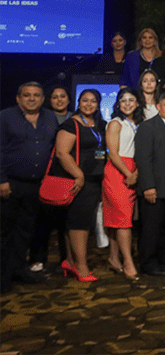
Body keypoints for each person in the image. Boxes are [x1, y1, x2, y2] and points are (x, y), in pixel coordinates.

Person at [1, 82, 59, 292]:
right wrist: (1, 179)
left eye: (36, 95)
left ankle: (18, 269)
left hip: (36, 185)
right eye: (27, 95)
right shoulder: (5, 117)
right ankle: (2, 276)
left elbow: (53, 149)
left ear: (43, 99)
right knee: (4, 232)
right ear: (18, 98)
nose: (32, 99)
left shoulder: (50, 117)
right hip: (10, 183)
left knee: (26, 231)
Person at [51, 89, 106, 282]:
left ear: (98, 104)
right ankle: (81, 267)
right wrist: (78, 175)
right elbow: (62, 153)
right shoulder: (71, 124)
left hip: (94, 179)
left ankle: (70, 261)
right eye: (85, 101)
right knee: (79, 224)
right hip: (78, 181)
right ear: (78, 102)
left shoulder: (99, 124)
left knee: (78, 222)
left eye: (93, 101)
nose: (89, 104)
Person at [102, 88, 143, 280]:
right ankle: (128, 262)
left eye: (131, 100)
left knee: (118, 219)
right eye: (123, 100)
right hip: (118, 171)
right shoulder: (115, 123)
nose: (127, 103)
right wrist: (128, 172)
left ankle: (113, 258)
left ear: (137, 102)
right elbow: (113, 153)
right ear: (118, 103)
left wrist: (136, 171)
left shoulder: (137, 122)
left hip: (133, 168)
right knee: (124, 220)